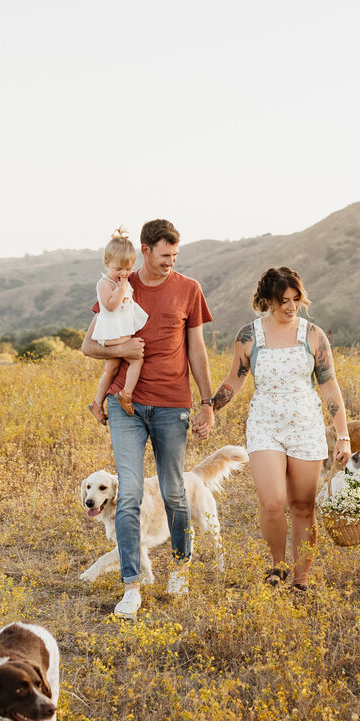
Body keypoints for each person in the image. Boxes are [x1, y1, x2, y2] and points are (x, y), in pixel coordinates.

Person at [81, 219, 215, 619]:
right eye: (164, 256)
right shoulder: (119, 285)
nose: (171, 263)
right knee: (129, 495)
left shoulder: (189, 289)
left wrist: (206, 403)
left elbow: (197, 351)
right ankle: (132, 586)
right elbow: (89, 344)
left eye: (176, 256)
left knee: (175, 492)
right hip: (127, 407)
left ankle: (181, 568)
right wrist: (124, 347)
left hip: (173, 406)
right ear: (144, 250)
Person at [209, 266, 351, 591]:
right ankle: (278, 566)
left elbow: (329, 386)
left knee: (303, 506)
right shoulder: (248, 336)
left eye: (296, 299)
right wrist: (209, 408)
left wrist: (342, 434)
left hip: (306, 425)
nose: (291, 306)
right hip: (265, 424)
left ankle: (300, 581)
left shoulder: (314, 336)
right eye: (283, 300)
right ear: (266, 300)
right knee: (272, 502)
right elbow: (235, 378)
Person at [87, 228, 149, 424]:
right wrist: (121, 288)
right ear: (106, 263)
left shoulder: (123, 281)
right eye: (118, 269)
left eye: (128, 269)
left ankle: (97, 403)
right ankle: (126, 394)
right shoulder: (105, 284)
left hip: (119, 329)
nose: (124, 273)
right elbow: (111, 305)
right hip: (111, 331)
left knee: (112, 368)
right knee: (136, 357)